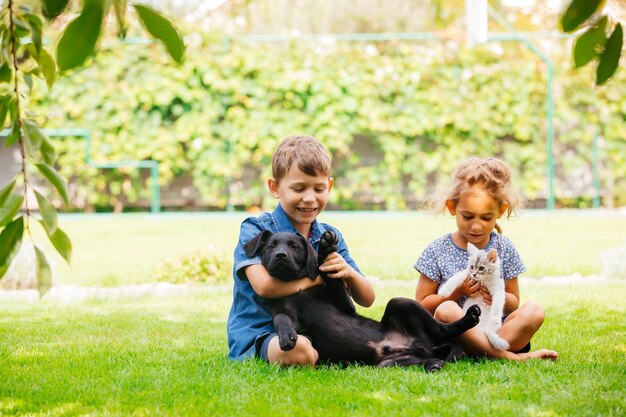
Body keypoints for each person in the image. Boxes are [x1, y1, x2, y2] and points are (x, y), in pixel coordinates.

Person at [227, 135, 375, 366]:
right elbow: (265, 287)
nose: (309, 198)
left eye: (319, 188)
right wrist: (317, 280)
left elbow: (367, 299)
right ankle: (312, 354)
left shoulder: (329, 236)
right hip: (263, 333)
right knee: (298, 351)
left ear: (330, 186)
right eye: (298, 188)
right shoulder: (256, 228)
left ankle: (320, 352)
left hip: (319, 330)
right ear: (275, 187)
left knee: (313, 346)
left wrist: (347, 271)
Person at [414, 157, 558, 361]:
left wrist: (497, 297)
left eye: (486, 217)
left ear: (500, 211)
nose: (476, 226)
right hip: (453, 332)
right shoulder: (437, 250)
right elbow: (421, 306)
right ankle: (507, 356)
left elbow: (513, 302)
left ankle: (478, 350)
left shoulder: (504, 247)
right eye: (467, 216)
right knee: (447, 310)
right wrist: (457, 292)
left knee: (534, 311)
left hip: (493, 329)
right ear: (452, 207)